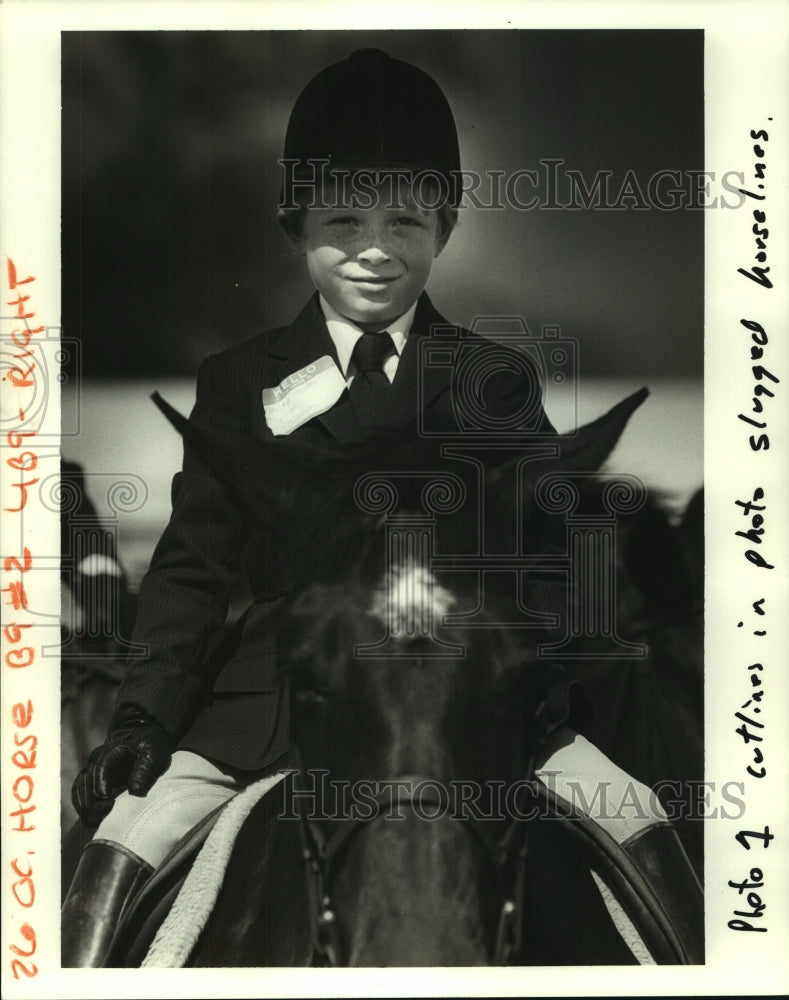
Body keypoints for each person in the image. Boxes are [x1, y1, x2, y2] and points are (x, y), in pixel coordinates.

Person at [61, 47, 556, 967]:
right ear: (296, 228)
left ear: (444, 226)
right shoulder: (237, 382)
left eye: (405, 218)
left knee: (641, 823)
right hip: (266, 719)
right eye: (342, 219)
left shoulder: (497, 383)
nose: (375, 247)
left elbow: (538, 569)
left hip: (455, 721)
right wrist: (142, 717)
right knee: (113, 857)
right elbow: (192, 569)